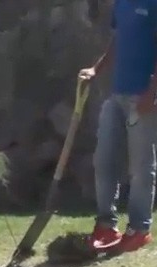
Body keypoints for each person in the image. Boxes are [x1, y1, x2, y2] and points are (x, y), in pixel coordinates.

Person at [80, 0, 157, 252]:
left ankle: (139, 229)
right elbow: (118, 41)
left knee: (141, 166)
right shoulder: (122, 3)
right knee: (103, 160)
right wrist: (95, 69)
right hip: (117, 94)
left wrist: (153, 92)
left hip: (143, 96)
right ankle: (106, 225)